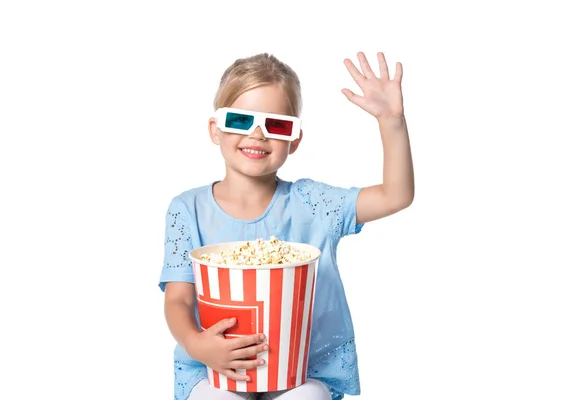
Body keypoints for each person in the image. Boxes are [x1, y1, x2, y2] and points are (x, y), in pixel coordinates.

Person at [159, 51, 414, 400]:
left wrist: (392, 121)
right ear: (215, 130)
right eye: (240, 120)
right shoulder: (187, 209)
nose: (258, 134)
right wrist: (197, 345)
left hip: (304, 368)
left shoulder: (314, 205)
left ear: (294, 140)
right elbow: (177, 299)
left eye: (276, 125)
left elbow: (395, 195)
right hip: (214, 366)